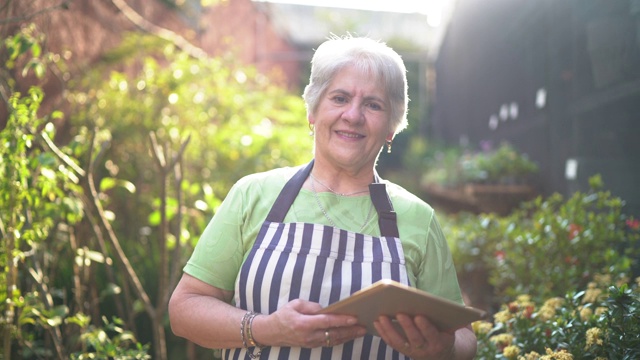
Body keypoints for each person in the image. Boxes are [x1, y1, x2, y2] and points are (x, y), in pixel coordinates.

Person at [168, 34, 477, 359]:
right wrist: (266, 329)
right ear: (313, 112)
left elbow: (463, 337)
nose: (353, 115)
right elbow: (185, 309)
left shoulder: (418, 218)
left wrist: (444, 350)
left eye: (373, 105)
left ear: (391, 127)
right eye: (340, 98)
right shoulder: (254, 194)